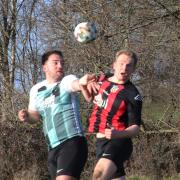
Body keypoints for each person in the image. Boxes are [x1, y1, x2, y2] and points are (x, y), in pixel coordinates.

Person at [18, 50, 97, 180]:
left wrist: (82, 82)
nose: (60, 66)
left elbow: (76, 84)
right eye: (55, 63)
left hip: (72, 142)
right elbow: (35, 116)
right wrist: (26, 116)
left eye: (62, 63)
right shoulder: (36, 90)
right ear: (45, 67)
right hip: (52, 147)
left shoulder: (66, 81)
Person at [88, 49, 143, 180]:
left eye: (129, 65)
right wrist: (87, 85)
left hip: (120, 141)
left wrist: (117, 134)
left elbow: (135, 128)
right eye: (121, 63)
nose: (124, 68)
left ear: (133, 69)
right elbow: (90, 98)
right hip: (101, 141)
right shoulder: (102, 79)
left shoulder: (133, 95)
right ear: (114, 65)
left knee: (99, 175)